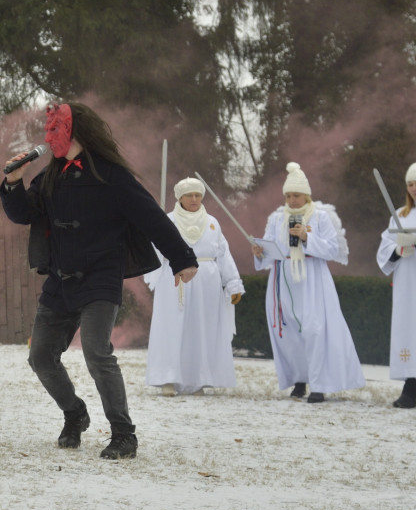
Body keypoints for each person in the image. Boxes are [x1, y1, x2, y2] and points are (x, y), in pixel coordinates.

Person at [0, 102, 198, 460]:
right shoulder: (50, 175)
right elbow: (24, 214)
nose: (49, 136)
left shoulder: (111, 176)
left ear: (75, 132)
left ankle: (123, 434)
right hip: (60, 281)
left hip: (100, 278)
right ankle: (75, 413)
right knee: (40, 356)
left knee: (96, 351)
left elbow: (152, 217)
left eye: (56, 129)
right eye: (48, 130)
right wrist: (13, 183)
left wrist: (182, 258)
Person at [251, 161, 365, 403]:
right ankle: (299, 379)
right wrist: (260, 252)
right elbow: (271, 248)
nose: (292, 200)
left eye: (297, 195)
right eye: (288, 196)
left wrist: (306, 237)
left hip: (312, 280)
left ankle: (320, 385)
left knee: (315, 330)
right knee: (289, 331)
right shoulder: (277, 218)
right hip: (283, 279)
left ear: (306, 195)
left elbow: (332, 249)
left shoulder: (321, 217)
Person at [145, 177, 244, 396]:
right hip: (175, 278)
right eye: (189, 195)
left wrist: (233, 283)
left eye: (198, 195)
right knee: (171, 327)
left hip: (207, 281)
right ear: (180, 198)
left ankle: (197, 380)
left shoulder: (212, 222)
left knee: (201, 329)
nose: (194, 199)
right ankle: (168, 379)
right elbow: (155, 249)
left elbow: (223, 253)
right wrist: (153, 274)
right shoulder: (168, 220)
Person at [375, 163, 416, 408]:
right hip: (407, 284)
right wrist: (399, 250)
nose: (414, 188)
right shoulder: (400, 215)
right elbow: (384, 248)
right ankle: (411, 387)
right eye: (410, 184)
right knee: (410, 330)